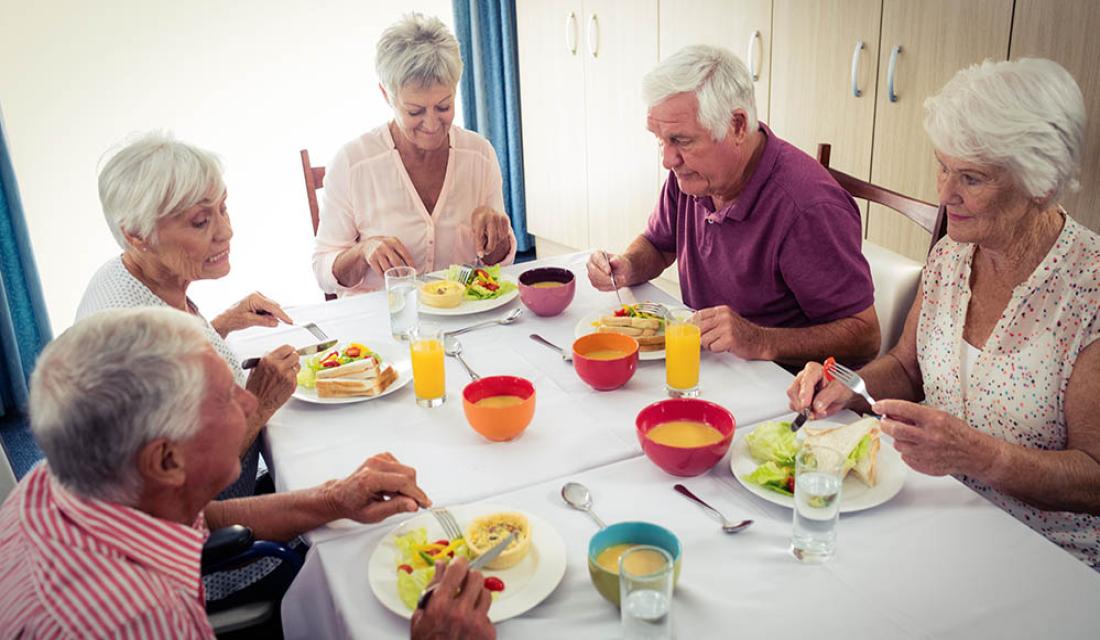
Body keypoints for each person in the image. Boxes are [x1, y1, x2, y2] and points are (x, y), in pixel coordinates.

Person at [0, 307, 494, 639]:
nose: (250, 399)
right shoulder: (137, 620)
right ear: (167, 460)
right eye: (226, 396)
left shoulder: (61, 483)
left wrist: (332, 499)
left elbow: (202, 517)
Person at [788, 58, 1100, 570]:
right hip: (936, 509)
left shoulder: (1088, 291)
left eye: (971, 178)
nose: (943, 193)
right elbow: (908, 369)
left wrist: (979, 455)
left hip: (1045, 555)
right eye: (942, 166)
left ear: (1039, 184)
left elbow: (1094, 477)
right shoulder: (953, 255)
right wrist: (849, 384)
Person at [587, 45, 879, 368]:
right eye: (661, 140)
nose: (668, 160)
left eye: (681, 141)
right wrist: (627, 265)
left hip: (781, 389)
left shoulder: (806, 208)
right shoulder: (693, 175)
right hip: (709, 366)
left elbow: (865, 337)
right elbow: (658, 246)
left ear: (737, 126)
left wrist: (759, 339)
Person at [78, 132, 296, 501]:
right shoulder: (137, 347)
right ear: (138, 236)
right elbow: (186, 488)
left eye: (222, 209)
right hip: (222, 543)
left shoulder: (123, 274)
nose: (226, 232)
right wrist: (259, 401)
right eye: (200, 222)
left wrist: (221, 324)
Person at [313, 13, 516, 296]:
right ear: (387, 95)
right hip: (379, 326)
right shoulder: (352, 163)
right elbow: (323, 271)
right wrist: (363, 250)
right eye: (415, 111)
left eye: (444, 107)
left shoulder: (479, 155)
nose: (432, 125)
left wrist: (498, 236)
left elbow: (496, 263)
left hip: (461, 321)